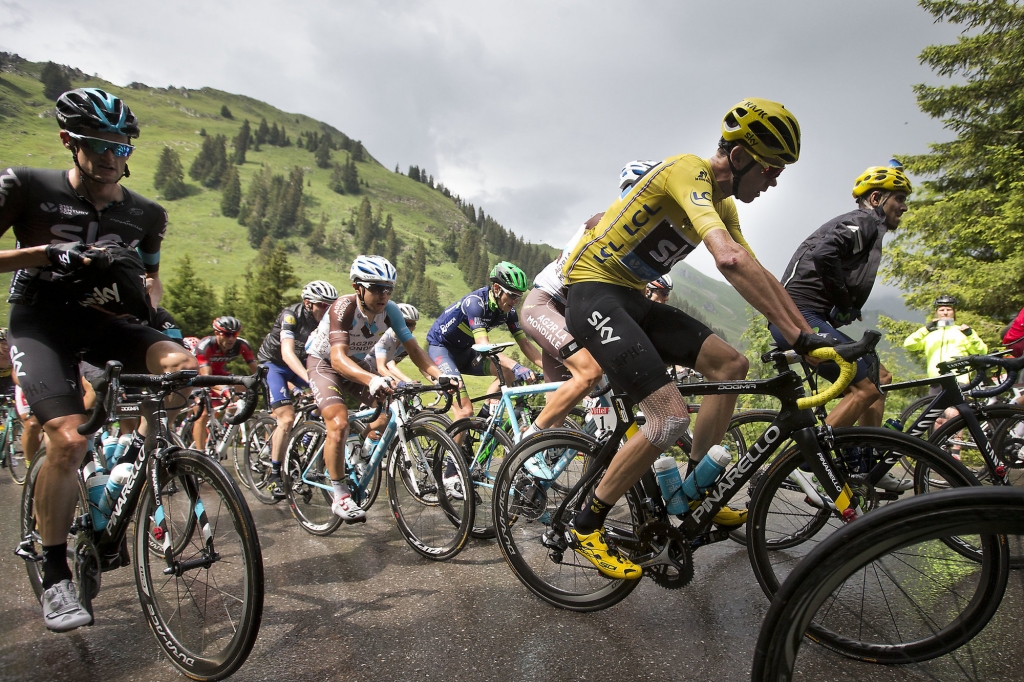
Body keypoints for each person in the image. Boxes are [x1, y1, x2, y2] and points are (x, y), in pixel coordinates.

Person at [560, 98, 829, 580]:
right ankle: (587, 523)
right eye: (771, 169)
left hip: (631, 297)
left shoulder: (724, 202)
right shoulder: (687, 170)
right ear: (742, 157)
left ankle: (697, 483)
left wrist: (808, 336)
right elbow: (726, 258)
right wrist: (802, 340)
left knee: (731, 365)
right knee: (667, 417)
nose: (775, 181)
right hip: (593, 293)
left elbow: (753, 268)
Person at [0, 87, 197, 631]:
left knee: (184, 370)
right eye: (97, 144)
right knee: (66, 437)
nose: (112, 157)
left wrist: (157, 317)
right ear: (69, 141)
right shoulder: (26, 187)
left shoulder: (146, 214)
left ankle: (139, 457)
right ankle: (56, 571)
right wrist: (43, 253)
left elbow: (150, 277)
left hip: (107, 320)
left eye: (121, 145)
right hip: (40, 321)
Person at [772, 161, 911, 429]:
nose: (904, 207)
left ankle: (864, 463)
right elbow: (824, 252)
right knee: (866, 388)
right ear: (876, 198)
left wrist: (847, 305)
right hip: (799, 317)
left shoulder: (865, 226)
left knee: (878, 378)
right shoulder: (864, 221)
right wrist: (845, 301)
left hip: (808, 315)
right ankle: (805, 462)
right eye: (900, 199)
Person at [304, 256, 444, 522]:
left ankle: (362, 449)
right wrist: (370, 379)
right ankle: (341, 496)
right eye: (377, 288)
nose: (384, 294)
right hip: (325, 363)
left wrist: (441, 376)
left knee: (392, 408)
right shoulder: (343, 307)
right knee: (339, 421)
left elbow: (414, 349)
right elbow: (337, 359)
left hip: (356, 363)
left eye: (388, 288)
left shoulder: (390, 310)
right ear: (358, 287)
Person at [426, 261, 544, 423]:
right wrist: (516, 365)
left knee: (507, 373)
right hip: (442, 351)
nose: (515, 301)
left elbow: (525, 344)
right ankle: (451, 448)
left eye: (519, 296)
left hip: (466, 352)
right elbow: (484, 348)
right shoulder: (476, 303)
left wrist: (549, 368)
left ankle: (483, 421)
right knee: (465, 412)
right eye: (512, 295)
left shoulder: (508, 312)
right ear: (496, 288)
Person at [256, 280, 338, 499]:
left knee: (325, 400)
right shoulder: (291, 315)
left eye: (331, 305)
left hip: (299, 366)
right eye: (322, 304)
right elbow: (287, 354)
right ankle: (274, 474)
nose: (326, 309)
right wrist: (311, 379)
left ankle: (302, 438)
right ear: (308, 303)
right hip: (274, 365)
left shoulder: (329, 321)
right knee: (286, 417)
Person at [192, 316, 258, 450]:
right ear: (217, 333)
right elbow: (206, 378)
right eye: (227, 334)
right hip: (198, 375)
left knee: (243, 385)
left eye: (235, 334)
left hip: (219, 373)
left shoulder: (241, 345)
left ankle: (228, 418)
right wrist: (223, 390)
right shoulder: (206, 346)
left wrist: (262, 383)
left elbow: (255, 371)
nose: (231, 339)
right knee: (203, 414)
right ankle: (200, 454)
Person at [904, 296, 989, 385]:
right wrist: (925, 329)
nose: (945, 313)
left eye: (948, 310)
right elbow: (909, 345)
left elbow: (982, 352)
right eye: (941, 310)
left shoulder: (963, 332)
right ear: (936, 312)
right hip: (935, 381)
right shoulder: (929, 333)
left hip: (960, 381)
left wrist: (970, 335)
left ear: (954, 312)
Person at [369, 303, 421, 384]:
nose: (410, 328)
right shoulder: (385, 336)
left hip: (378, 374)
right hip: (364, 370)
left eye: (413, 324)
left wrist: (409, 382)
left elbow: (391, 365)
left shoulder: (409, 342)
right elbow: (381, 368)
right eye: (407, 324)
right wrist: (401, 383)